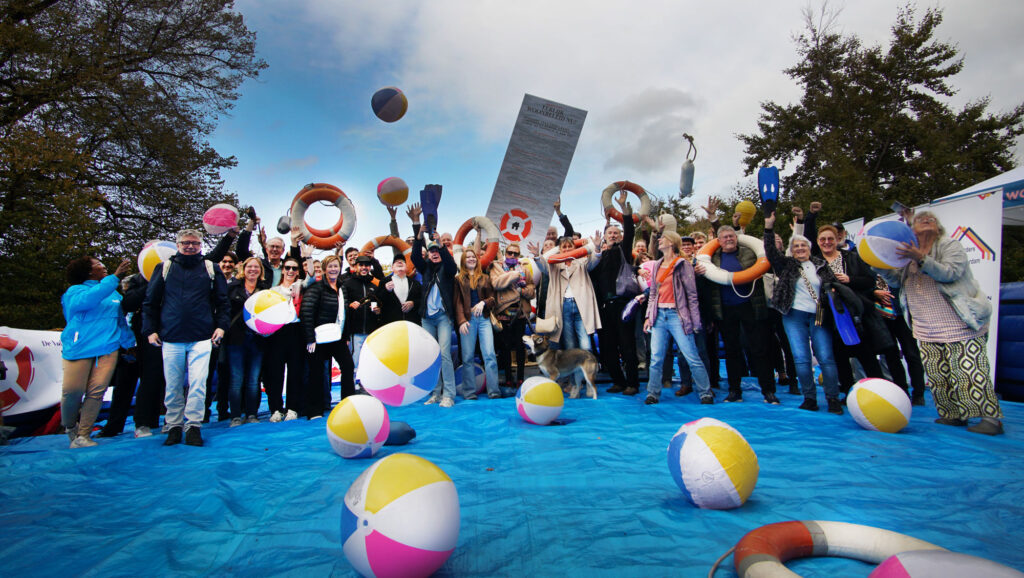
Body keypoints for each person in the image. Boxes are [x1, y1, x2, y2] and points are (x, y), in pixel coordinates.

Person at [878, 210, 1004, 435]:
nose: (927, 220)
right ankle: (953, 415)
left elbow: (950, 273)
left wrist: (921, 258)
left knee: (969, 370)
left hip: (959, 321)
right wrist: (878, 266)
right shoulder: (907, 256)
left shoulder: (949, 245)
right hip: (926, 325)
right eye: (921, 219)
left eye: (932, 219)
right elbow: (896, 282)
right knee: (938, 374)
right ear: (912, 229)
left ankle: (991, 420)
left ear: (938, 228)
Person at [142, 229, 230, 447]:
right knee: (172, 385)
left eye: (195, 243)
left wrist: (221, 327)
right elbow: (150, 302)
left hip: (202, 336)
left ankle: (193, 426)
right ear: (177, 244)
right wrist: (150, 330)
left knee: (199, 385)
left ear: (201, 245)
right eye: (185, 243)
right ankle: (173, 426)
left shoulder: (211, 268)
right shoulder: (164, 268)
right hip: (171, 336)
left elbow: (222, 301)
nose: (190, 246)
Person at [763, 212, 843, 414]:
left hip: (819, 315)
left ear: (809, 248)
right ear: (792, 251)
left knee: (826, 357)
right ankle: (809, 398)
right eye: (796, 246)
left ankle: (833, 398)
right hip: (794, 316)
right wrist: (769, 229)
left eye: (803, 246)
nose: (800, 249)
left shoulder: (821, 265)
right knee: (801, 358)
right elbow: (771, 252)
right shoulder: (787, 266)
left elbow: (832, 288)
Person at [693, 225, 780, 404]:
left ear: (737, 237)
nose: (729, 239)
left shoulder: (749, 252)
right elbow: (704, 284)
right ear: (719, 241)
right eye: (724, 237)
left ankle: (768, 390)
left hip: (750, 306)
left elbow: (766, 259)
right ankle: (734, 391)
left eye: (731, 236)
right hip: (725, 309)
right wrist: (698, 274)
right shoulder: (711, 259)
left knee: (759, 349)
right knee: (732, 351)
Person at [60, 256, 134, 448]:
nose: (104, 267)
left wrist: (130, 343)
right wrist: (114, 278)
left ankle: (84, 435)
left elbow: (120, 322)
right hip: (79, 348)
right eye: (99, 265)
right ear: (88, 271)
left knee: (96, 392)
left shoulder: (114, 294)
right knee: (72, 391)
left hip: (107, 348)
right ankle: (70, 426)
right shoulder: (75, 292)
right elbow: (89, 300)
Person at [642, 232, 712, 405]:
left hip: (677, 315)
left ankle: (705, 392)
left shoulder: (683, 264)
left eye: (663, 238)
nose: (659, 240)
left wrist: (695, 322)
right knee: (656, 357)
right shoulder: (657, 264)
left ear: (672, 242)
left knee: (692, 356)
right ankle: (653, 393)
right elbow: (653, 293)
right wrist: (648, 316)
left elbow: (692, 296)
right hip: (658, 316)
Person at [408, 203, 459, 407]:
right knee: (431, 356)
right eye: (432, 251)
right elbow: (414, 256)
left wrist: (439, 242)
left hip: (444, 317)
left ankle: (449, 395)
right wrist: (417, 230)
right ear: (428, 254)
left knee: (445, 354)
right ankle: (435, 393)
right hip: (427, 318)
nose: (435, 252)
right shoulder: (425, 268)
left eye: (437, 250)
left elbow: (452, 265)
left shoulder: (447, 270)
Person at [592, 192, 642, 396]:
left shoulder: (623, 250)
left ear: (620, 237)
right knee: (607, 347)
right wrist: (596, 249)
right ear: (604, 237)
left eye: (616, 233)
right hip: (604, 307)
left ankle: (632, 383)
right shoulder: (598, 257)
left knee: (627, 345)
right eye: (609, 233)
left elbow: (629, 231)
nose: (612, 235)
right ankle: (618, 381)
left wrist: (624, 210)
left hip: (623, 304)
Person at [301, 255, 356, 416]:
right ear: (325, 269)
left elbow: (343, 314)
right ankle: (314, 410)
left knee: (348, 366)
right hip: (318, 338)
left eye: (336, 266)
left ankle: (348, 404)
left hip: (337, 337)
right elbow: (306, 311)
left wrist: (345, 336)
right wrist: (310, 338)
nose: (333, 269)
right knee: (316, 373)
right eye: (330, 266)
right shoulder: (316, 287)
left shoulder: (342, 287)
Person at [224, 257, 271, 426]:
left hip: (257, 340)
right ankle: (236, 415)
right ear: (244, 269)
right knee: (236, 379)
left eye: (256, 267)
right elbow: (225, 311)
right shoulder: (232, 288)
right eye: (249, 266)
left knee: (253, 379)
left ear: (261, 271)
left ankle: (252, 414)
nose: (253, 270)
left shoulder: (265, 290)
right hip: (236, 340)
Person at [263, 256, 307, 421]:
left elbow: (310, 277)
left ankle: (292, 408)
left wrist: (307, 256)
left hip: (296, 332)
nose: (290, 271)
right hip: (277, 333)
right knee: (275, 372)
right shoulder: (273, 290)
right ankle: (275, 409)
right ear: (282, 270)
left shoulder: (300, 286)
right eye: (288, 268)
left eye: (294, 268)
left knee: (295, 372)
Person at [454, 249, 500, 399]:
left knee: (490, 355)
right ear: (463, 260)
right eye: (468, 257)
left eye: (473, 257)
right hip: (468, 320)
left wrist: (483, 303)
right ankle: (469, 392)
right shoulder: (458, 279)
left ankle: (494, 391)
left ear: (477, 259)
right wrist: (461, 321)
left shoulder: (485, 278)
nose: (471, 259)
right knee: (467, 357)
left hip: (484, 319)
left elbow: (493, 299)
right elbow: (458, 303)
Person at [489, 243, 535, 389]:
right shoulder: (497, 267)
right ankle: (508, 377)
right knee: (506, 347)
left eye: (516, 253)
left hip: (520, 312)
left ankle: (521, 377)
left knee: (520, 347)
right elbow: (496, 284)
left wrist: (523, 291)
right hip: (503, 311)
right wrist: (513, 276)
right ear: (505, 252)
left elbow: (532, 288)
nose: (513, 256)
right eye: (510, 253)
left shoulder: (525, 269)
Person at [343, 254, 382, 366]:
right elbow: (341, 305)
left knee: (370, 363)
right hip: (355, 332)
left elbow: (380, 306)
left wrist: (378, 311)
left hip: (372, 332)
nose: (364, 267)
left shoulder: (374, 286)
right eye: (361, 265)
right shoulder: (348, 284)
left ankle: (367, 384)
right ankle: (354, 384)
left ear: (370, 267)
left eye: (367, 265)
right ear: (355, 267)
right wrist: (349, 305)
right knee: (355, 363)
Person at [377, 255, 422, 325]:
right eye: (396, 262)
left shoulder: (415, 283)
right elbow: (378, 300)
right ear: (392, 268)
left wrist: (413, 303)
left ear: (406, 268)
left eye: (403, 261)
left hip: (411, 323)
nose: (399, 262)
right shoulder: (384, 281)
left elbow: (422, 300)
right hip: (391, 324)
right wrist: (386, 290)